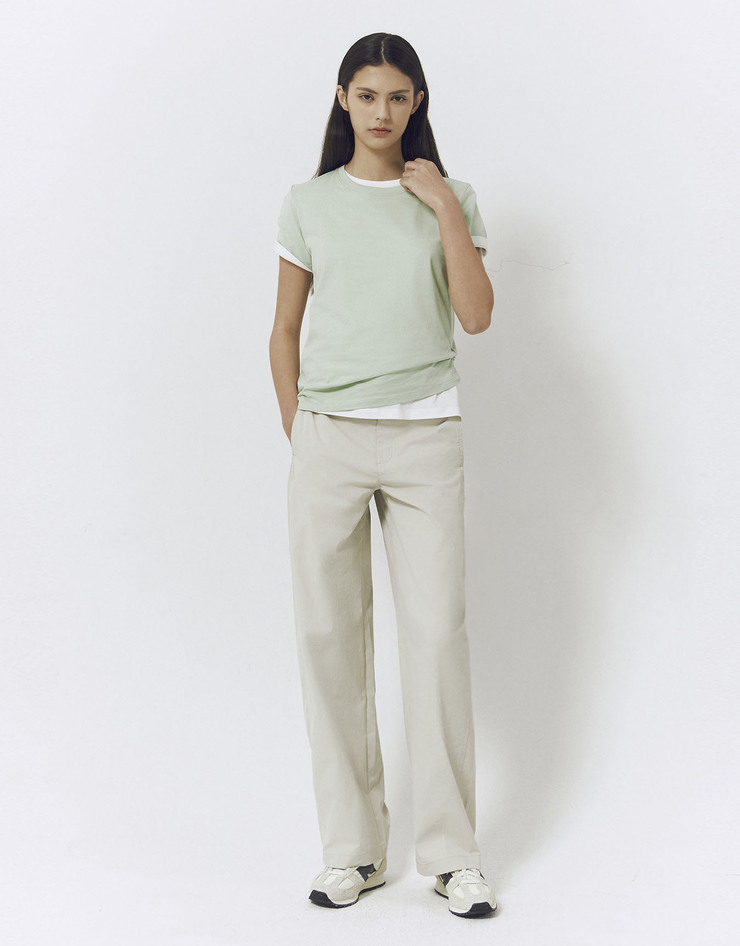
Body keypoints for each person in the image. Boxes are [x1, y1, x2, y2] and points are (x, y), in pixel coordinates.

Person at [269, 32, 496, 919]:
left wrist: (439, 205)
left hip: (425, 435)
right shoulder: (308, 203)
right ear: (343, 99)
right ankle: (353, 851)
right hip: (329, 438)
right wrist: (302, 435)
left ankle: (452, 855)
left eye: (398, 96)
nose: (381, 112)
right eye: (366, 95)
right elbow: (284, 331)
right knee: (330, 638)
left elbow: (475, 316)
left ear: (416, 104)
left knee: (437, 637)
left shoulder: (450, 196)